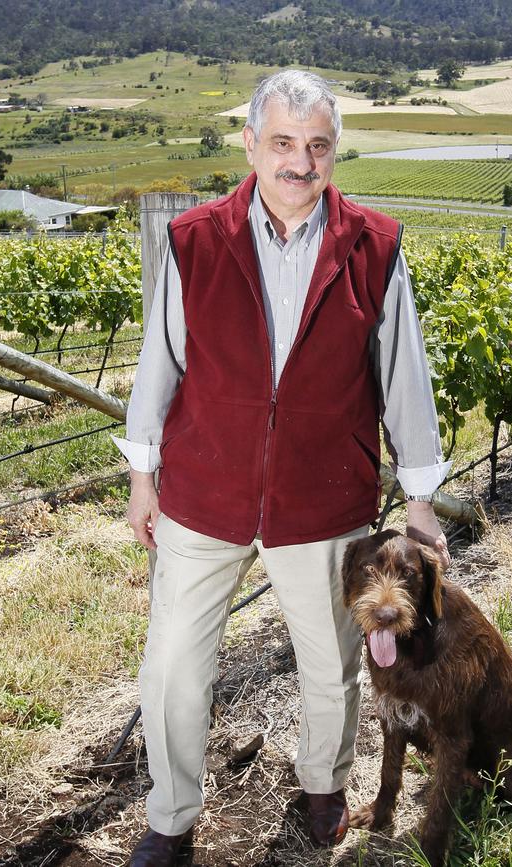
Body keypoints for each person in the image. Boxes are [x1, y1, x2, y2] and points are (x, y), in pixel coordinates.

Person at [113, 70, 452, 867]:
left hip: (323, 499)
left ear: (334, 150)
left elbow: (405, 375)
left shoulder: (374, 246)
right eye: (283, 144)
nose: (300, 163)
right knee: (170, 664)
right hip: (203, 491)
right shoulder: (194, 238)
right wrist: (142, 475)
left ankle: (324, 785)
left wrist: (422, 499)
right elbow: (158, 365)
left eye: (318, 146)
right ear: (250, 145)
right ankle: (171, 816)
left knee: (331, 662)